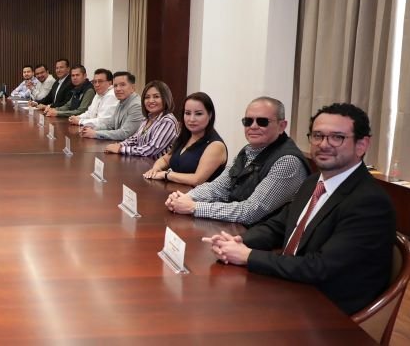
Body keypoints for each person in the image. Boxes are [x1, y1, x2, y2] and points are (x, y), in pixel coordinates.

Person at [202, 103, 395, 315]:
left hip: (327, 312)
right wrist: (238, 243)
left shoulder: (370, 202)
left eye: (337, 137)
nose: (324, 144)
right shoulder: (313, 183)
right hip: (291, 288)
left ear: (362, 144)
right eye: (318, 136)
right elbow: (277, 226)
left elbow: (321, 267)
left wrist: (248, 256)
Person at [165, 97, 309, 225]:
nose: (253, 126)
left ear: (282, 126)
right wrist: (184, 198)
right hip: (236, 228)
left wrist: (194, 207)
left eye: (262, 121)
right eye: (248, 121)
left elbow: (250, 212)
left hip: (263, 243)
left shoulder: (288, 162)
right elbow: (219, 187)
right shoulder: (247, 151)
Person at [143, 92, 227, 185]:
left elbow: (197, 180)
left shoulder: (216, 145)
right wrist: (155, 169)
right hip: (175, 194)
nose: (191, 119)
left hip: (198, 198)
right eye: (187, 113)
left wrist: (166, 174)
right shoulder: (186, 136)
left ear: (210, 115)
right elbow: (165, 160)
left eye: (198, 114)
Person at [105, 80, 178, 158]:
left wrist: (121, 149)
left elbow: (151, 149)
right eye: (147, 97)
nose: (151, 101)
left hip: (156, 167)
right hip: (142, 162)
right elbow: (135, 139)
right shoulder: (147, 118)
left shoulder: (167, 121)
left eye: (156, 96)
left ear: (165, 98)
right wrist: (120, 145)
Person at [80, 71, 145, 140]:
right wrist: (91, 128)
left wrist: (95, 134)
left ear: (133, 87)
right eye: (115, 86)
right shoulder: (122, 101)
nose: (118, 89)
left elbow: (124, 133)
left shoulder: (136, 105)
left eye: (122, 85)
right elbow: (110, 125)